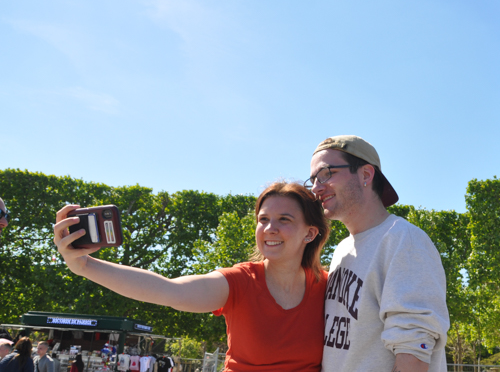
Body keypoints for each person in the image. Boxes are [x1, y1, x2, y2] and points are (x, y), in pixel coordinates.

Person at [54, 182, 330, 371]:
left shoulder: (332, 287)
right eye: (263, 219)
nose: (269, 228)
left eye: (285, 219)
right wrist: (84, 266)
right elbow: (169, 291)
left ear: (310, 232)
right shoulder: (240, 281)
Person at [307, 135, 449, 372]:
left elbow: (413, 354)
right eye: (312, 179)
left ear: (365, 175)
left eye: (326, 173)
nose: (316, 188)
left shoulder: (404, 239)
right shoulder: (342, 250)